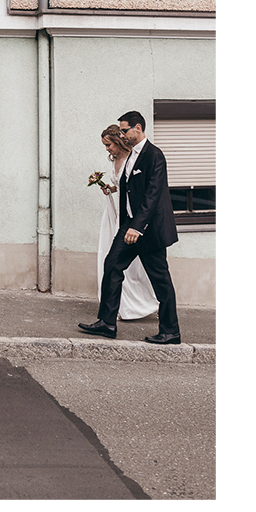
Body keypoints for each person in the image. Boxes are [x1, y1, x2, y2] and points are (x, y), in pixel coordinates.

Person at [78, 111, 181, 345]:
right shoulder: (131, 155)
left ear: (138, 128)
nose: (122, 134)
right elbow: (130, 189)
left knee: (160, 280)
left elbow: (153, 195)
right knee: (111, 265)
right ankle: (107, 322)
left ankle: (170, 331)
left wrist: (137, 227)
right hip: (128, 227)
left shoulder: (154, 155)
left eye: (124, 130)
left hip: (148, 230)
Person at [93, 125, 158, 320]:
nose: (107, 149)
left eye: (108, 144)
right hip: (115, 214)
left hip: (134, 220)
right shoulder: (116, 160)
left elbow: (145, 191)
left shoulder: (136, 158)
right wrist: (110, 188)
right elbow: (123, 187)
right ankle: (114, 310)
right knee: (110, 261)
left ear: (118, 141)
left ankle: (146, 303)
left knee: (140, 266)